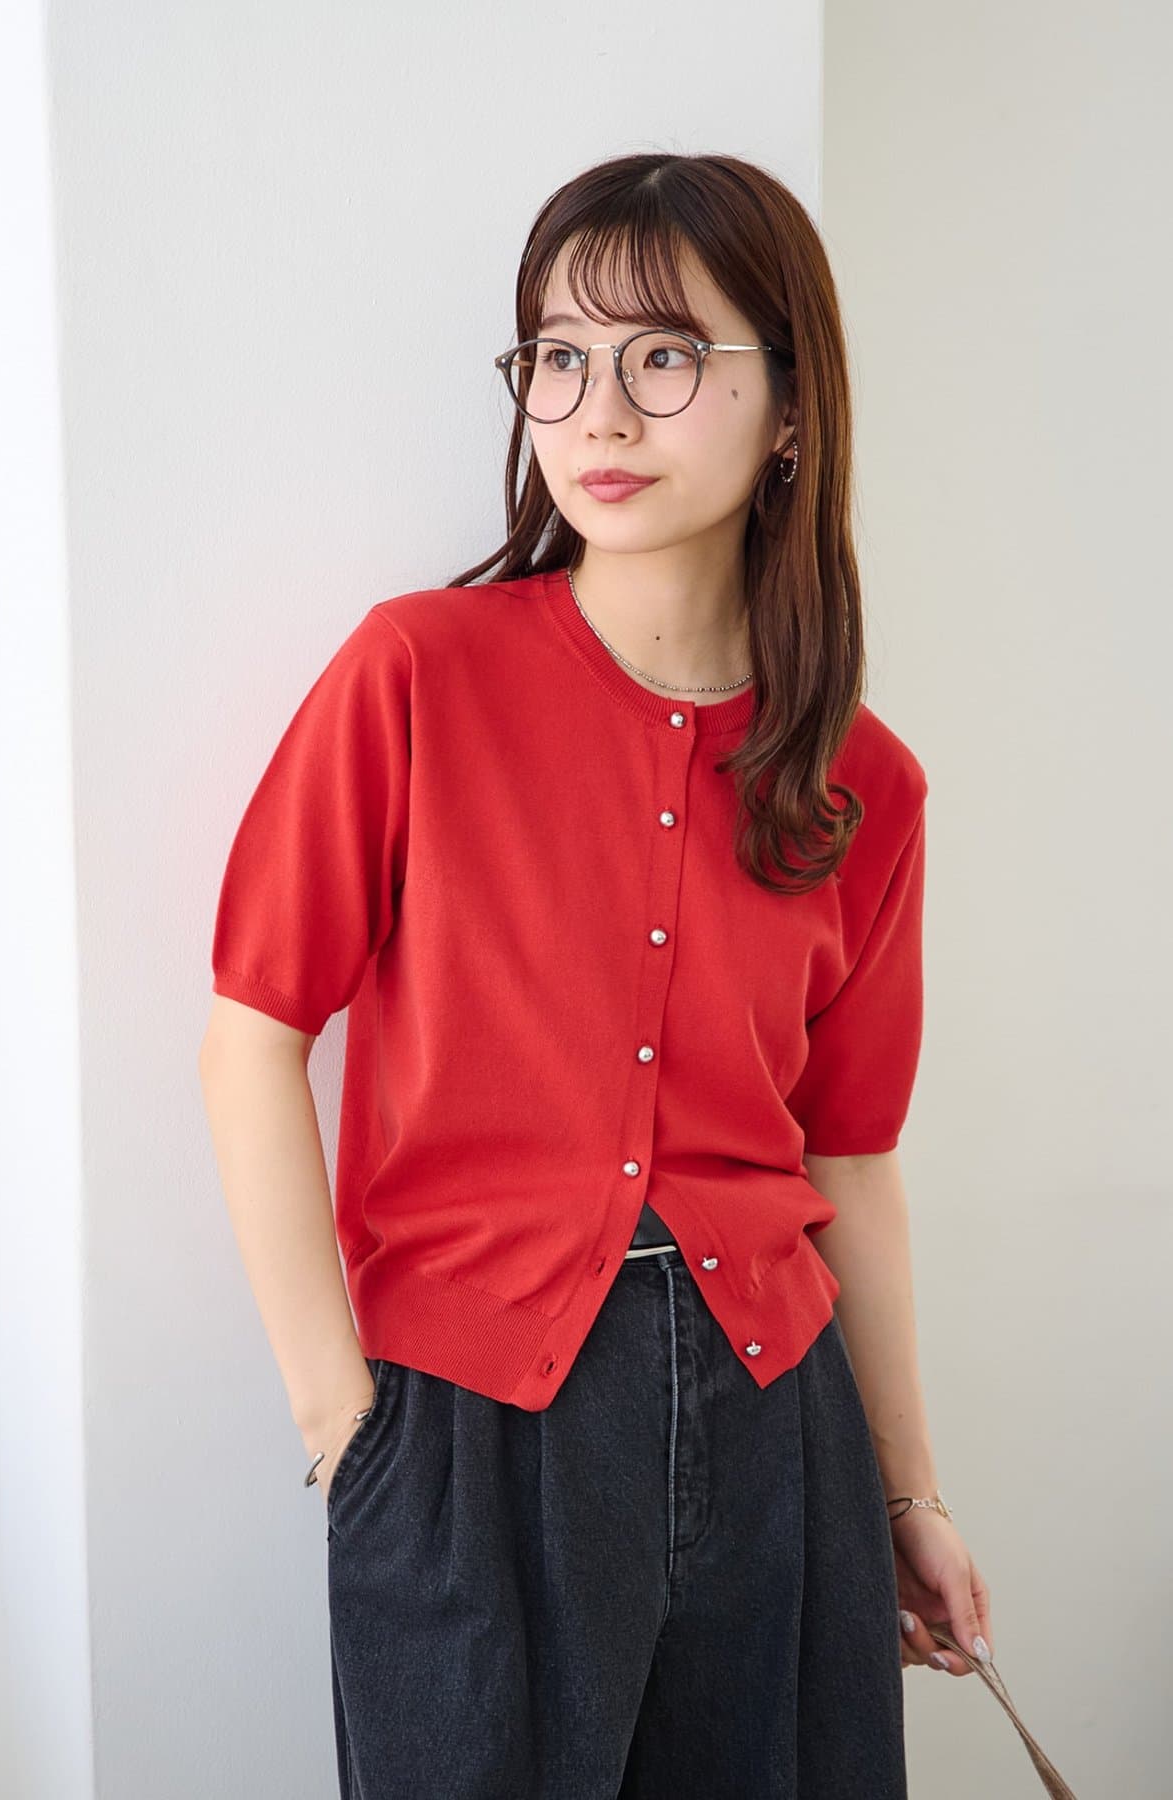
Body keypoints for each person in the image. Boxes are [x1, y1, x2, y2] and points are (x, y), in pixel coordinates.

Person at [198, 149, 992, 1800]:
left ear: (792, 409)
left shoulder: (864, 785)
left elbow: (850, 1160)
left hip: (779, 1424)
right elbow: (253, 1035)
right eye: (558, 357)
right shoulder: (415, 676)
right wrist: (344, 1431)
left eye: (665, 356)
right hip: (476, 1424)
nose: (600, 414)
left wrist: (907, 1495)